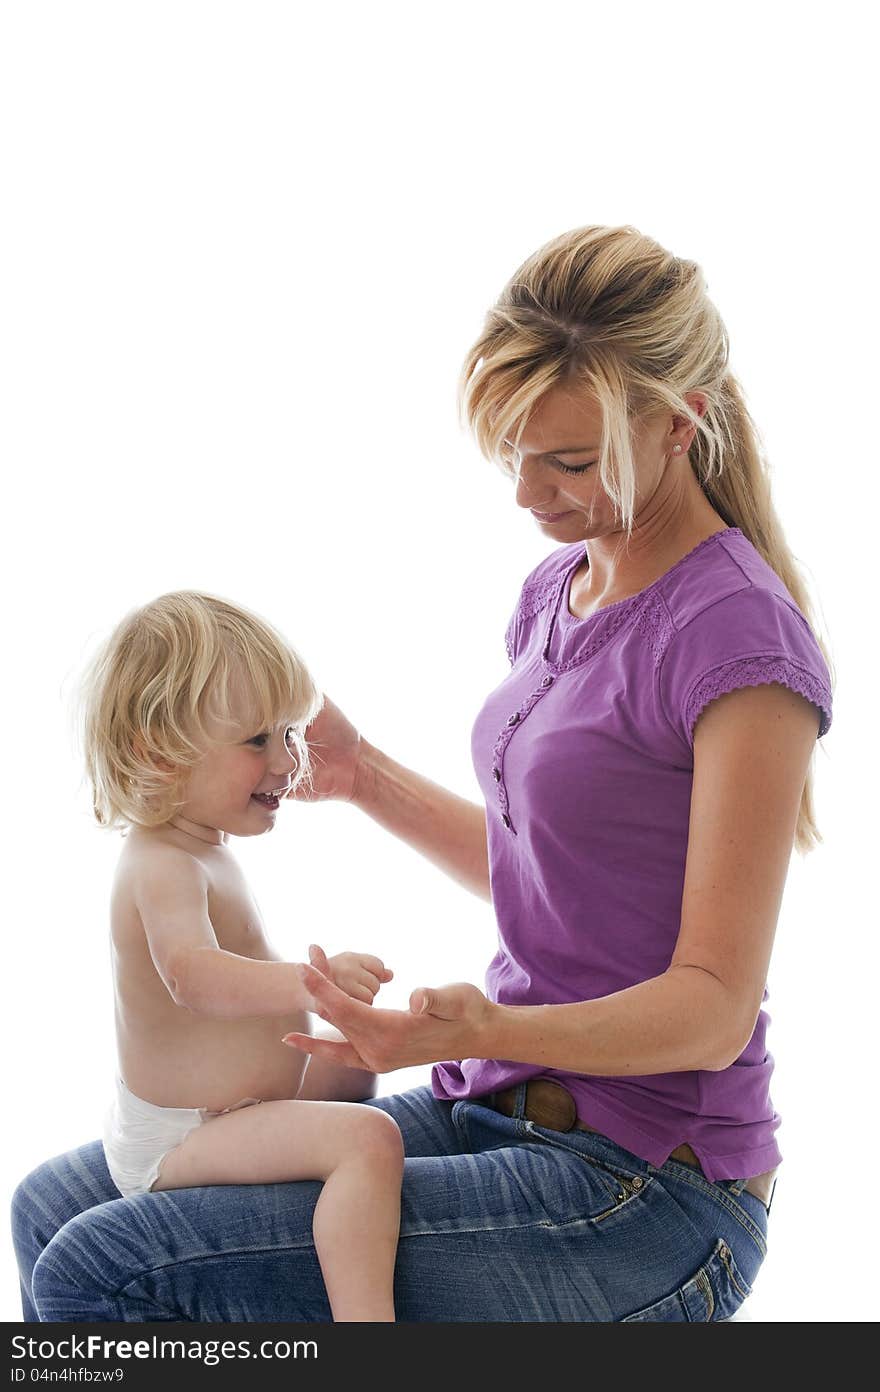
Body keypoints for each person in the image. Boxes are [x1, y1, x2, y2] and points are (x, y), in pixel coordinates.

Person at [12, 223, 834, 1322]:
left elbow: (709, 1012)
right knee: (50, 1211)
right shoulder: (562, 590)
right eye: (513, 453)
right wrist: (359, 776)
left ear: (680, 426)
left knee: (102, 1272)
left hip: (645, 1190)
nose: (526, 496)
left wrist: (483, 1028)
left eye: (571, 462)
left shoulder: (740, 645)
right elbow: (560, 887)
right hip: (498, 1108)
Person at [74, 591, 404, 1322]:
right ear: (155, 752)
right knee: (368, 1141)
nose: (289, 761)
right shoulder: (161, 862)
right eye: (258, 741)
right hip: (186, 1136)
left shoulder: (203, 846)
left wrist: (336, 1005)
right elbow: (192, 978)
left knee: (357, 1063)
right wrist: (309, 984)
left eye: (289, 734)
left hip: (239, 1105)